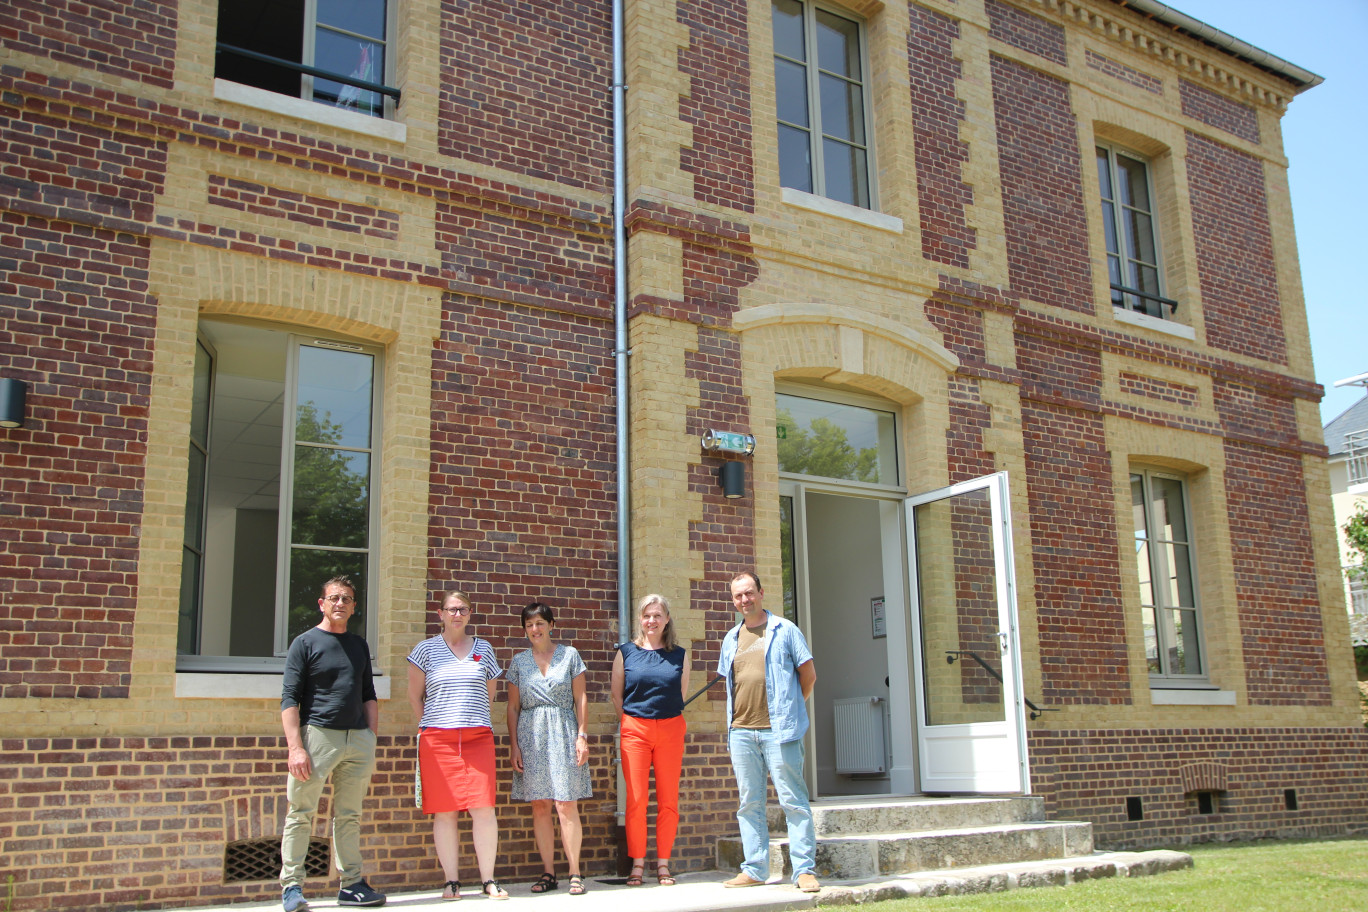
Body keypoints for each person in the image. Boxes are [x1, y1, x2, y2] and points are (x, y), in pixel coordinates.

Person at [279, 575, 386, 911]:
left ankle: (351, 884)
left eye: (347, 599)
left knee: (349, 815)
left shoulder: (359, 646)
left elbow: (369, 694)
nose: (340, 603)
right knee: (301, 812)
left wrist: (371, 736)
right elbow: (289, 698)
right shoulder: (305, 643)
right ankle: (292, 887)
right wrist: (296, 747)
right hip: (318, 737)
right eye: (334, 597)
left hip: (358, 740)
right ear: (322, 603)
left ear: (354, 607)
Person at [718, 571, 821, 893]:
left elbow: (809, 676)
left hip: (780, 732)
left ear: (761, 593)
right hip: (741, 732)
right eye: (738, 596)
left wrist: (790, 709)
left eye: (749, 593)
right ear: (733, 601)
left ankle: (804, 870)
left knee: (793, 801)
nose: (744, 600)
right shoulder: (731, 638)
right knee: (750, 803)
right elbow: (731, 684)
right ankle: (755, 868)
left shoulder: (785, 630)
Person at [407, 590, 509, 901]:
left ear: (469, 613)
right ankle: (451, 882)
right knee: (446, 812)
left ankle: (488, 880)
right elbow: (415, 697)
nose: (457, 614)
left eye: (462, 609)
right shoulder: (425, 650)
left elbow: (489, 695)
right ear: (440, 614)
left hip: (477, 737)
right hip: (438, 740)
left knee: (483, 809)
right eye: (451, 609)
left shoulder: (484, 649)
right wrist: (434, 725)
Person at [506, 602, 592, 896]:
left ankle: (575, 872)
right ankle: (548, 872)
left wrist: (582, 735)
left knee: (565, 803)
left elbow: (581, 698)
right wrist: (514, 745)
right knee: (540, 804)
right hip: (531, 736)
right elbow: (513, 707)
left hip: (564, 731)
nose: (535, 629)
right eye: (529, 625)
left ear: (552, 625)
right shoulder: (518, 662)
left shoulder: (570, 656)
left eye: (540, 623)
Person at [610, 594, 690, 887]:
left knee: (668, 800)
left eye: (657, 615)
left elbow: (681, 695)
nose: (652, 621)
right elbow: (617, 695)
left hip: (670, 729)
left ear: (667, 619)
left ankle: (664, 864)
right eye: (647, 616)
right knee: (637, 800)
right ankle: (638, 863)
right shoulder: (626, 653)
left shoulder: (679, 654)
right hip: (635, 730)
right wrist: (632, 721)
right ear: (639, 620)